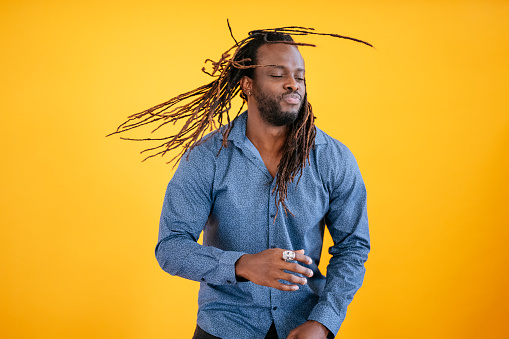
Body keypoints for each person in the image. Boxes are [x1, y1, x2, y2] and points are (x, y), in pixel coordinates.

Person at [111, 26, 371, 339]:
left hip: (305, 327)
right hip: (225, 328)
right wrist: (242, 265)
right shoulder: (206, 157)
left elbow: (353, 248)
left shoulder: (333, 158)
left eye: (300, 76)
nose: (293, 84)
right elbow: (171, 247)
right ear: (248, 85)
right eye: (277, 74)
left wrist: (325, 321)